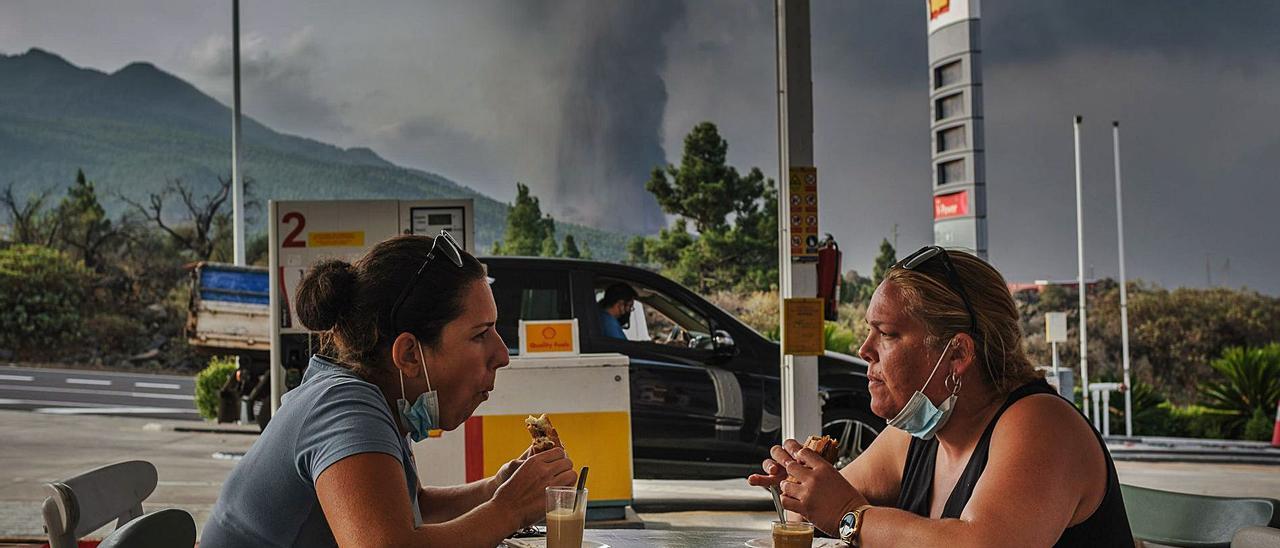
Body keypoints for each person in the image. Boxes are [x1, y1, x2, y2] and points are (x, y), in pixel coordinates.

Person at [202, 232, 576, 548]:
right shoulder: (345, 407)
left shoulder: (369, 396)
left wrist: (496, 488)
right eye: (480, 334)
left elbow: (416, 508)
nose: (501, 355)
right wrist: (508, 510)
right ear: (410, 354)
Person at [748, 246, 1132, 547]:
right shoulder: (918, 434)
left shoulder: (1042, 424)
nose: (864, 349)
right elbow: (815, 513)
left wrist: (850, 516)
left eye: (888, 334)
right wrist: (799, 487)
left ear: (958, 354)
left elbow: (979, 544)